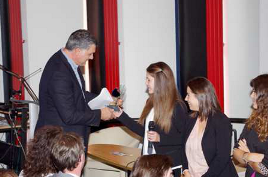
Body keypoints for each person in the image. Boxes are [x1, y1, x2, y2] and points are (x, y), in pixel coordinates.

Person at [35, 29, 114, 147]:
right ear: (77, 51)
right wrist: (100, 115)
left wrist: (107, 100)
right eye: (90, 53)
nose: (92, 57)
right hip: (59, 143)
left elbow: (79, 94)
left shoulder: (68, 62)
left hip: (66, 139)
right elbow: (69, 116)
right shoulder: (59, 72)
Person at [114, 61, 187, 176]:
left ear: (160, 82)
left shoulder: (177, 107)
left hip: (168, 166)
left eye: (149, 80)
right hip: (150, 163)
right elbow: (144, 132)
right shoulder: (150, 102)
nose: (146, 83)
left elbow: (184, 138)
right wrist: (121, 115)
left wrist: (160, 138)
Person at [182, 77, 238, 177]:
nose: (185, 99)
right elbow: (183, 148)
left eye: (188, 95)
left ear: (199, 96)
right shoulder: (189, 119)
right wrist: (186, 170)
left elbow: (222, 158)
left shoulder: (221, 121)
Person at [233, 74, 268, 177]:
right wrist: (248, 155)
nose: (251, 95)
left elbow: (265, 169)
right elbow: (236, 151)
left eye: (255, 91)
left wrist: (248, 157)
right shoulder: (252, 122)